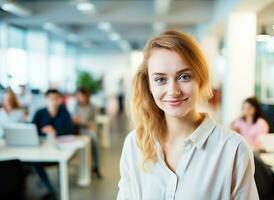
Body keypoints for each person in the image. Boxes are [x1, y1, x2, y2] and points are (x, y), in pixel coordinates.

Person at [117, 30, 258, 199]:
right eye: (160, 79)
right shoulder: (134, 144)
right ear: (149, 85)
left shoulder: (233, 149)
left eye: (184, 76)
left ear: (201, 78)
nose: (173, 91)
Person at [32, 89, 73, 200]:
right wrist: (43, 131)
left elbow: (69, 130)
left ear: (60, 100)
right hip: (41, 148)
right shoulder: (39, 113)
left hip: (59, 148)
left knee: (62, 161)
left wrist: (54, 131)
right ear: (46, 100)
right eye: (50, 99)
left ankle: (59, 189)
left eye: (56, 99)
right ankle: (50, 189)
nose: (53, 102)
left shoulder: (64, 112)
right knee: (34, 162)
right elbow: (32, 130)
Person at [72, 88, 101, 178]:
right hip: (78, 130)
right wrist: (84, 122)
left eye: (82, 95)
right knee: (92, 137)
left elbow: (93, 123)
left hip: (89, 130)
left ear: (86, 96)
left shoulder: (92, 107)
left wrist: (81, 121)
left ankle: (96, 167)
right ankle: (90, 167)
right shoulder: (76, 106)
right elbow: (74, 121)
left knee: (94, 139)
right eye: (78, 96)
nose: (80, 97)